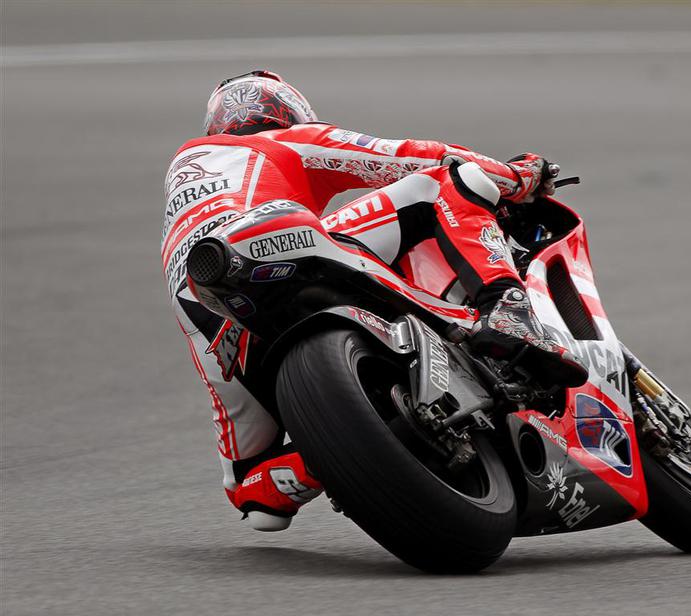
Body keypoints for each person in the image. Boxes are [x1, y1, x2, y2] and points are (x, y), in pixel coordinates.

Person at [162, 70, 586, 532]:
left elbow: (255, 501)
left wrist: (343, 451)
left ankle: (320, 460)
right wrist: (520, 177)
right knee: (446, 181)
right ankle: (506, 309)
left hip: (208, 316)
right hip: (280, 242)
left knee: (250, 489)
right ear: (288, 113)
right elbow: (411, 157)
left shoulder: (183, 184)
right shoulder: (280, 141)